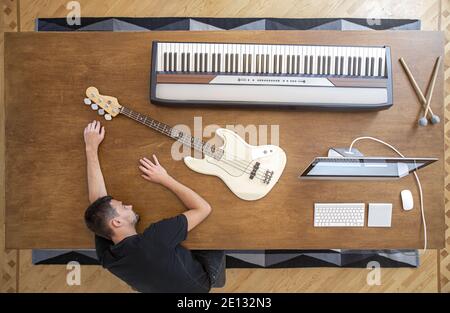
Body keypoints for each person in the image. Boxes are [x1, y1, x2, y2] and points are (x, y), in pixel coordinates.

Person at [83, 120, 225, 292]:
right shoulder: (154, 239)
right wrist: (164, 178)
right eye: (123, 207)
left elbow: (99, 205)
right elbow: (203, 208)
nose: (129, 205)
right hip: (202, 281)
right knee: (220, 210)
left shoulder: (109, 255)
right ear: (117, 222)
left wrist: (91, 148)